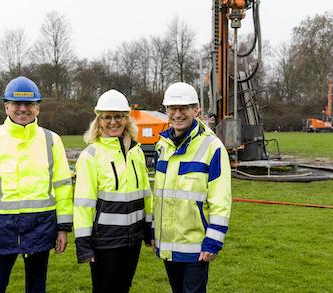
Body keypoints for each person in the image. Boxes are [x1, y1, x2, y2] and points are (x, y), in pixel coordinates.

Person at [0, 76, 74, 293]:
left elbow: (62, 187)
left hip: (41, 227)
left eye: (29, 104)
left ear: (37, 108)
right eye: (16, 104)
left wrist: (63, 228)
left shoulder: (52, 140)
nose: (23, 109)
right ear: (6, 106)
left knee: (36, 287)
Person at [153, 82, 232, 293]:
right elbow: (159, 196)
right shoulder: (162, 146)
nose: (177, 114)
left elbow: (221, 200)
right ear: (166, 111)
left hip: (196, 247)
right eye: (172, 109)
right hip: (168, 245)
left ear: (196, 110)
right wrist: (153, 231)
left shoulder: (212, 147)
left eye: (183, 109)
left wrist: (213, 242)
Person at [73, 89, 152, 293]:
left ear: (127, 119)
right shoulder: (90, 155)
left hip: (132, 239)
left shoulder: (136, 152)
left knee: (123, 288)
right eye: (107, 117)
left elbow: (146, 195)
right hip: (104, 241)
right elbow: (83, 203)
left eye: (118, 116)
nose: (113, 122)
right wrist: (83, 242)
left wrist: (149, 227)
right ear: (98, 121)